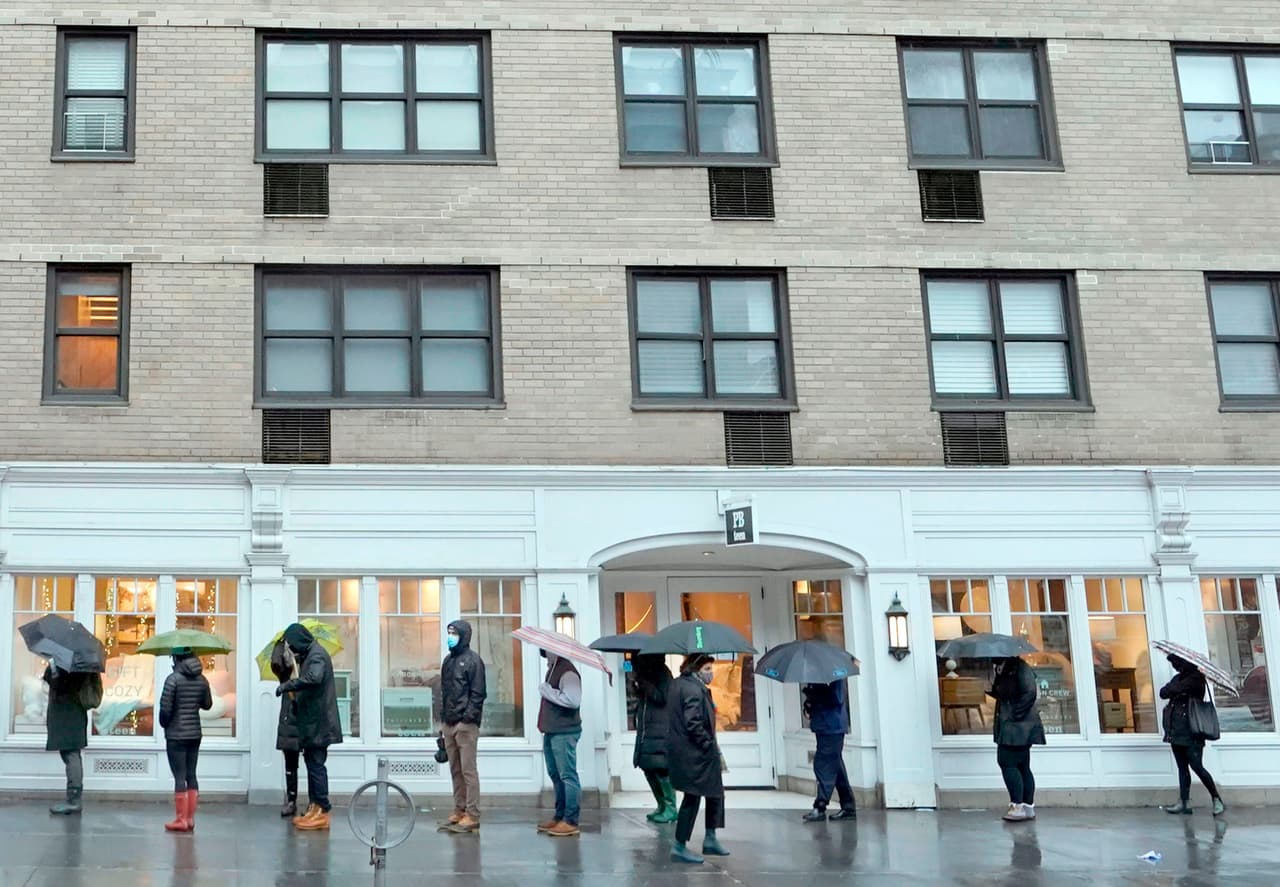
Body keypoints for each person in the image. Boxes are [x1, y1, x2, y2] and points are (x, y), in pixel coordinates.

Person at [276, 622, 343, 831]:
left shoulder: (316, 656)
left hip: (319, 724)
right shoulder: (310, 655)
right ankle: (315, 806)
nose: (291, 649)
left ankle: (322, 810)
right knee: (312, 765)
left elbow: (314, 678)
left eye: (291, 645)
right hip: (313, 723)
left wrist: (289, 685)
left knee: (316, 767)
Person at [668, 653, 728, 864]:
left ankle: (711, 837)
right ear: (695, 670)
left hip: (689, 752)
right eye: (707, 669)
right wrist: (708, 745)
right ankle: (680, 845)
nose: (711, 673)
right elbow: (693, 722)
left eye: (711, 668)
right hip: (696, 754)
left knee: (714, 792)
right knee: (692, 797)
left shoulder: (679, 685)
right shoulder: (693, 689)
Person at [1160, 654, 1225, 816]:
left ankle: (1216, 798)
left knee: (1197, 766)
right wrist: (1173, 688)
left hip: (1193, 730)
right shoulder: (1179, 678)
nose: (1175, 667)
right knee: (1182, 768)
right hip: (1175, 729)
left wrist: (1174, 688)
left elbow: (1174, 689)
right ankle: (1184, 802)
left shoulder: (1197, 678)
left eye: (1177, 663)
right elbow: (1163, 692)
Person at [158, 647, 212, 833]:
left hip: (176, 734)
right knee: (191, 775)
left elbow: (165, 710)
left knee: (179, 776)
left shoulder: (172, 680)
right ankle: (190, 819)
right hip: (195, 733)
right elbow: (207, 705)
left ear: (176, 658)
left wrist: (165, 724)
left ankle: (181, 819)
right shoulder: (202, 679)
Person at [440, 619, 486, 834]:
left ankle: (472, 813)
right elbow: (445, 692)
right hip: (449, 722)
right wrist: (443, 721)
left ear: (464, 636)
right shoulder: (448, 661)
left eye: (454, 633)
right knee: (455, 770)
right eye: (449, 633)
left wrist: (467, 719)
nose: (450, 637)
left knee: (468, 770)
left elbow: (478, 693)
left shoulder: (473, 661)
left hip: (465, 724)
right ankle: (459, 809)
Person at [988, 656, 1045, 822]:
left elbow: (1030, 692)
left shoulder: (1020, 668)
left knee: (1007, 762)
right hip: (1016, 727)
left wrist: (1015, 715)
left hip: (1017, 727)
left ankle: (1017, 806)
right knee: (1021, 765)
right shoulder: (1004, 668)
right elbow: (1007, 693)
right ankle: (1027, 807)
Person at [536, 649, 583, 837]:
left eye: (545, 649)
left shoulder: (568, 672)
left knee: (567, 775)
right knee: (555, 774)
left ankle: (570, 820)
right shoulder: (553, 669)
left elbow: (573, 700)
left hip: (564, 732)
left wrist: (548, 691)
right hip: (552, 730)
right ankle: (559, 816)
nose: (543, 652)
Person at [44, 665, 100, 816]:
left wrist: (52, 669)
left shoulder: (66, 663)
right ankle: (74, 798)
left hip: (66, 713)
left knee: (71, 754)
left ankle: (74, 800)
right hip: (75, 713)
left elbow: (55, 682)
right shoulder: (85, 661)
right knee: (72, 753)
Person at [801, 680, 857, 822]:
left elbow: (836, 698)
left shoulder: (833, 677)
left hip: (832, 726)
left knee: (823, 764)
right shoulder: (818, 677)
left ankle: (820, 806)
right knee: (835, 765)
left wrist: (814, 696)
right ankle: (848, 806)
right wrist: (809, 703)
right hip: (824, 725)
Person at [632, 654, 676, 823]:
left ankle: (670, 808)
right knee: (648, 768)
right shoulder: (646, 673)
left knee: (661, 770)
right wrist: (637, 686)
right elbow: (645, 697)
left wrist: (644, 684)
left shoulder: (663, 673)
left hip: (659, 729)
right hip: (647, 729)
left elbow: (662, 697)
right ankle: (661, 804)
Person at [269, 638, 302, 817]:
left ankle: (314, 804)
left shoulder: (309, 663)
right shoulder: (286, 670)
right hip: (289, 720)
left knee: (313, 764)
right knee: (291, 764)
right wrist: (282, 644)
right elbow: (276, 663)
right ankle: (292, 801)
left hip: (306, 720)